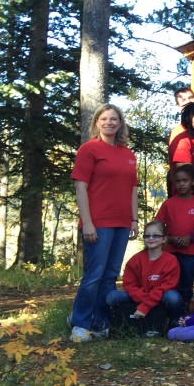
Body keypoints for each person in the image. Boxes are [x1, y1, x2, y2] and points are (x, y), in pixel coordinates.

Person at [69, 103, 139, 343]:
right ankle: (79, 323)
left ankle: (100, 323)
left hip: (121, 223)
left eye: (114, 119)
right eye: (104, 119)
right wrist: (87, 223)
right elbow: (81, 187)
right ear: (97, 122)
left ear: (120, 123)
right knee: (94, 275)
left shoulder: (128, 154)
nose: (109, 123)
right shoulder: (89, 150)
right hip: (98, 222)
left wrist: (134, 219)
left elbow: (132, 190)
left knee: (110, 275)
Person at [105, 220, 181, 338]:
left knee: (173, 298)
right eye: (147, 235)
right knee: (112, 296)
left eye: (156, 235)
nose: (151, 238)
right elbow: (129, 285)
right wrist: (145, 301)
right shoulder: (135, 259)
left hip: (161, 296)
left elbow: (164, 288)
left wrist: (145, 306)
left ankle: (174, 322)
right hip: (140, 296)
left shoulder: (171, 260)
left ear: (164, 239)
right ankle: (115, 323)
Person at [156, 164, 194, 307]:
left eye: (184, 180)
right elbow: (158, 224)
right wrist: (169, 238)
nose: (181, 184)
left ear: (192, 181)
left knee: (186, 281)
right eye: (178, 181)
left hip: (189, 252)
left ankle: (184, 308)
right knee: (168, 279)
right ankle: (167, 308)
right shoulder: (168, 203)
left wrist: (189, 237)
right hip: (170, 251)